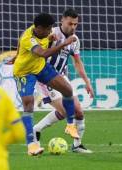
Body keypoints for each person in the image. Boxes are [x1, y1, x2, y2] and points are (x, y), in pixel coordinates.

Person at [13, 13, 79, 156]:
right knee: (28, 104)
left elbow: (19, 41)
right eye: (48, 29)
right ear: (39, 28)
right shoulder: (29, 38)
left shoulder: (37, 31)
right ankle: (31, 144)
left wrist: (16, 55)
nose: (50, 31)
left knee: (68, 90)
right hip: (24, 73)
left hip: (40, 67)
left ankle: (70, 125)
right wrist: (63, 44)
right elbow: (43, 53)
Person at [33, 9, 94, 153]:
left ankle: (77, 145)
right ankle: (36, 130)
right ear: (62, 21)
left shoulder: (75, 40)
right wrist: (48, 42)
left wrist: (87, 82)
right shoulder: (50, 33)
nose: (73, 27)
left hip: (61, 77)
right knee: (68, 111)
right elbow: (36, 52)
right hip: (45, 78)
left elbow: (77, 62)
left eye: (76, 24)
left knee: (78, 111)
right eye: (70, 23)